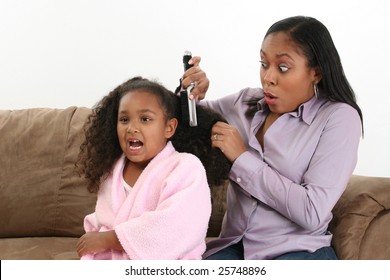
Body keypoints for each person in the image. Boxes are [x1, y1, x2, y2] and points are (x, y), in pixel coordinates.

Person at [182, 16, 364, 260]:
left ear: (316, 72)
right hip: (234, 246)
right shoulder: (244, 103)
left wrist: (242, 158)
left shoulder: (339, 118)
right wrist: (190, 94)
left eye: (283, 67)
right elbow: (181, 124)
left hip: (299, 253)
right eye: (264, 63)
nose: (268, 77)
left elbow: (312, 211)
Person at [75, 76, 230, 260]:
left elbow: (177, 226)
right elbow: (102, 219)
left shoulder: (186, 168)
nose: (132, 128)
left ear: (169, 128)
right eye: (124, 119)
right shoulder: (112, 171)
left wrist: (110, 239)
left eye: (145, 119)